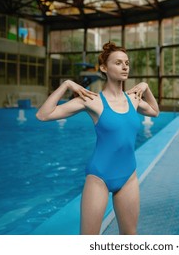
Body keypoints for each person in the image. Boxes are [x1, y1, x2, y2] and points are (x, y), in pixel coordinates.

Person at [36, 41, 159, 235]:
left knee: (130, 236)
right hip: (99, 177)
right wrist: (66, 85)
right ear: (104, 67)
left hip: (129, 176)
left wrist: (146, 87)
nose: (125, 66)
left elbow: (154, 111)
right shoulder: (92, 100)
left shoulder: (133, 98)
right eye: (118, 63)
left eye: (126, 62)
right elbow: (43, 115)